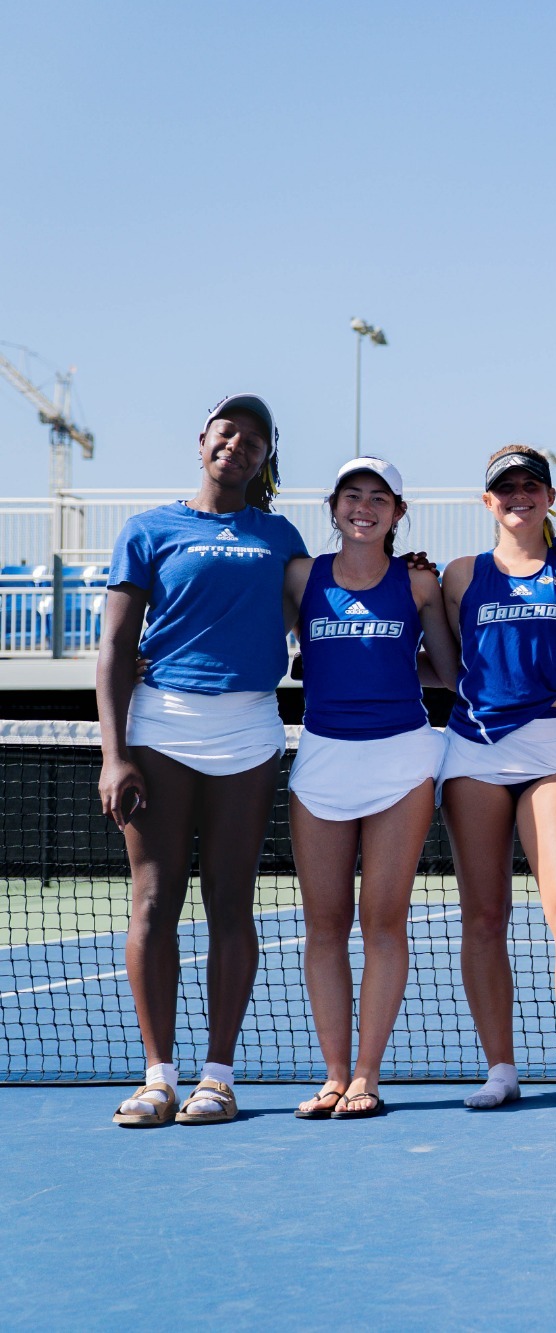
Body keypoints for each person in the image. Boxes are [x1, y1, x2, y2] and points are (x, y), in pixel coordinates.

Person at [98, 394, 309, 1127]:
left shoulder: (280, 535)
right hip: (161, 730)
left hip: (249, 731)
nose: (239, 446)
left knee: (230, 902)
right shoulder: (150, 528)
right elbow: (116, 649)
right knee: (155, 902)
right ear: (203, 441)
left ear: (263, 458)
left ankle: (217, 1077)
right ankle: (158, 1077)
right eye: (229, 433)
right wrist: (114, 753)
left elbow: (330, 600)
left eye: (255, 440)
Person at [286, 457, 455, 1120]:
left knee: (383, 921)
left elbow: (445, 668)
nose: (364, 507)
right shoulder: (300, 576)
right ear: (333, 507)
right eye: (352, 496)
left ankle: (366, 1075)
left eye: (378, 498)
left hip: (401, 761)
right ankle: (332, 1075)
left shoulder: (417, 584)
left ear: (397, 512)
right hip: (323, 759)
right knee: (324, 924)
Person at [439, 446, 556, 1115]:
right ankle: (500, 1068)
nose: (518, 496)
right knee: (483, 916)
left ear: (549, 496)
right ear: (487, 502)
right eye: (504, 488)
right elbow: (447, 663)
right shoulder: (455, 575)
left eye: (530, 485)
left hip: (553, 745)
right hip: (474, 749)